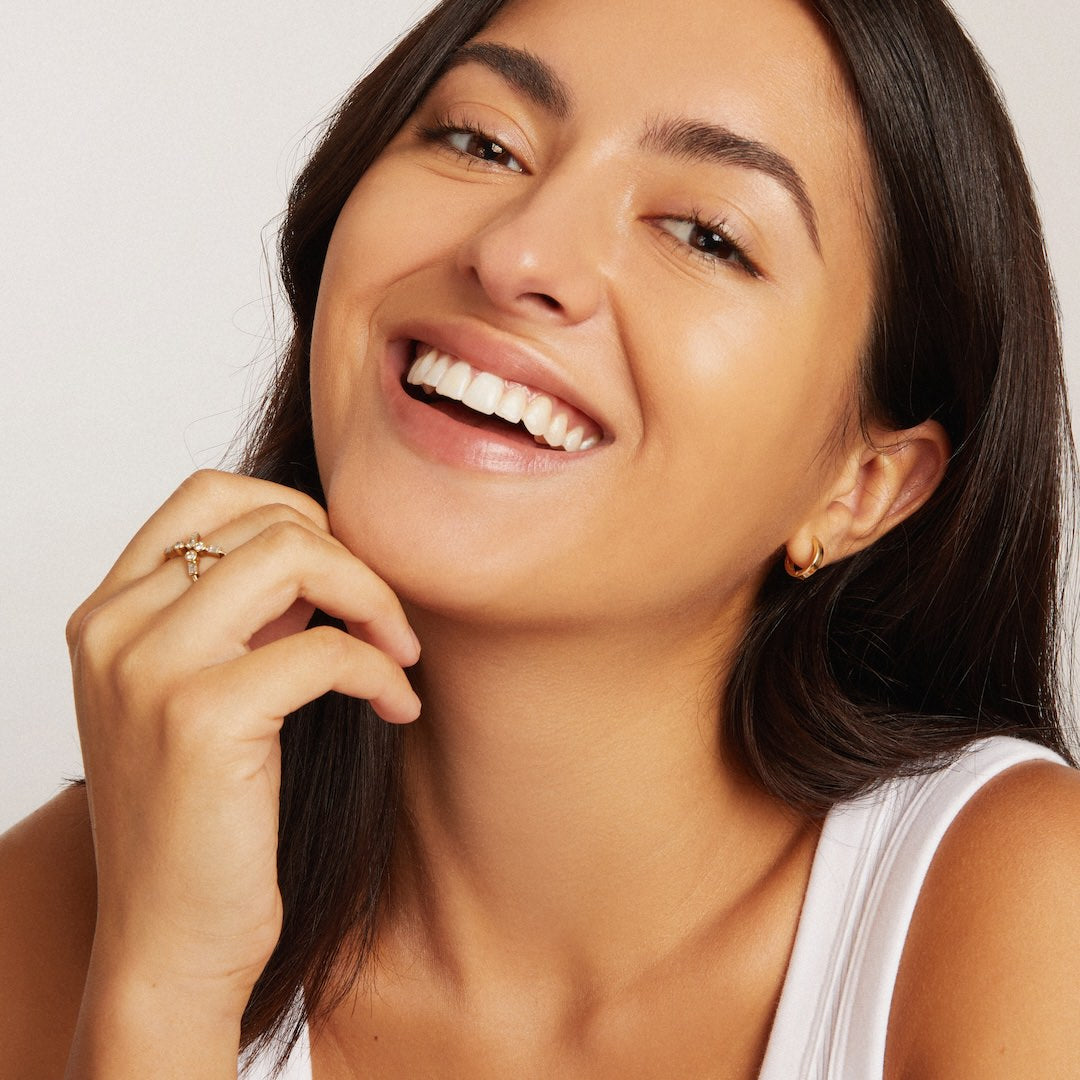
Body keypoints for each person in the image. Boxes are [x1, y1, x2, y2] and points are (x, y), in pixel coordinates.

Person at [2, 0, 1078, 1075]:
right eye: (482, 142)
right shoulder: (72, 913)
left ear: (862, 488)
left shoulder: (1024, 912)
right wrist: (164, 987)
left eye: (705, 235)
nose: (514, 252)